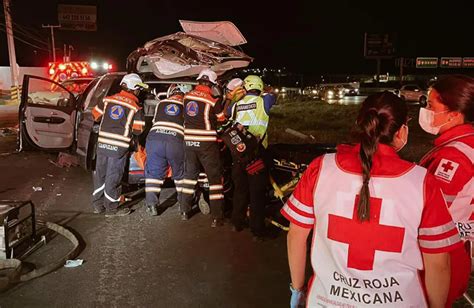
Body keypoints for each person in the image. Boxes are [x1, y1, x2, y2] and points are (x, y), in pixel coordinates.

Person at [282, 92, 463, 307]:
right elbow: (439, 263)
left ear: (360, 123)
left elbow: (296, 235)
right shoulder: (422, 182)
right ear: (401, 131)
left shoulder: (321, 168)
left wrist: (298, 288)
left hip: (326, 301)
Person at [418, 75, 474, 307]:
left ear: (453, 114)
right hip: (456, 254)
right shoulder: (466, 143)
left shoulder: (454, 157)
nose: (426, 110)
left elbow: (427, 213)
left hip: (438, 262)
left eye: (431, 106)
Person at [91, 73, 147, 217]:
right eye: (138, 89)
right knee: (113, 176)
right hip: (119, 147)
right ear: (133, 88)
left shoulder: (107, 100)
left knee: (101, 175)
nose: (138, 92)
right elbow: (138, 130)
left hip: (102, 144)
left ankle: (98, 205)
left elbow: (95, 115)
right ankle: (111, 208)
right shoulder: (135, 107)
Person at [228, 75, 276, 240]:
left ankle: (237, 223)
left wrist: (238, 97)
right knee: (257, 193)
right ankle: (257, 230)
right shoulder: (265, 101)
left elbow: (228, 112)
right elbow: (272, 95)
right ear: (260, 87)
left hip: (238, 154)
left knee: (240, 190)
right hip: (257, 154)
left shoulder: (235, 105)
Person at [180, 68, 226, 227]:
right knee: (214, 179)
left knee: (190, 177)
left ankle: (184, 211)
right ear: (212, 84)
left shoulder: (186, 97)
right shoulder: (213, 100)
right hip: (207, 143)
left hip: (189, 141)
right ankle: (216, 217)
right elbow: (221, 119)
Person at [144, 84, 191, 216]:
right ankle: (184, 208)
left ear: (171, 92)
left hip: (155, 138)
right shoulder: (188, 105)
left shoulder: (162, 103)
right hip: (175, 140)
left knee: (153, 174)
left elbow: (154, 121)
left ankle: (152, 205)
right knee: (181, 174)